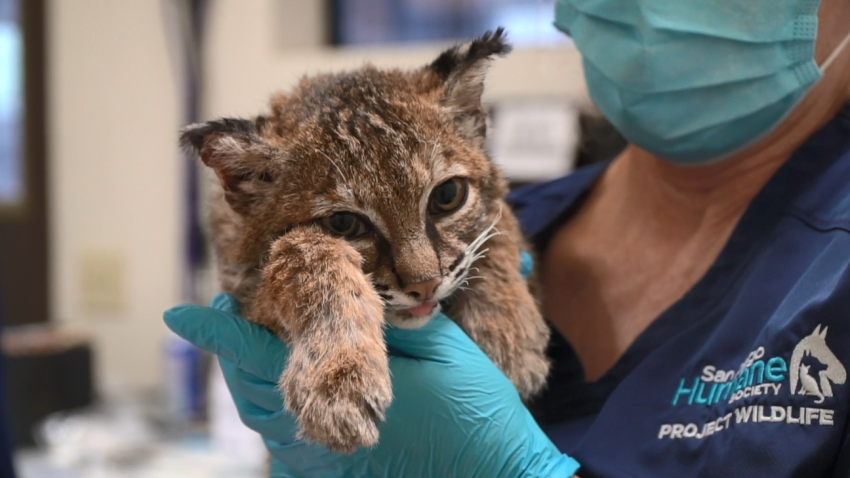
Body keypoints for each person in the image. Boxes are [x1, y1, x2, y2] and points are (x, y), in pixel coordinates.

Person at [165, 0, 850, 475]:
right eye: (349, 225)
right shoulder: (524, 210)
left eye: (445, 198)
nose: (423, 274)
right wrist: (312, 278)